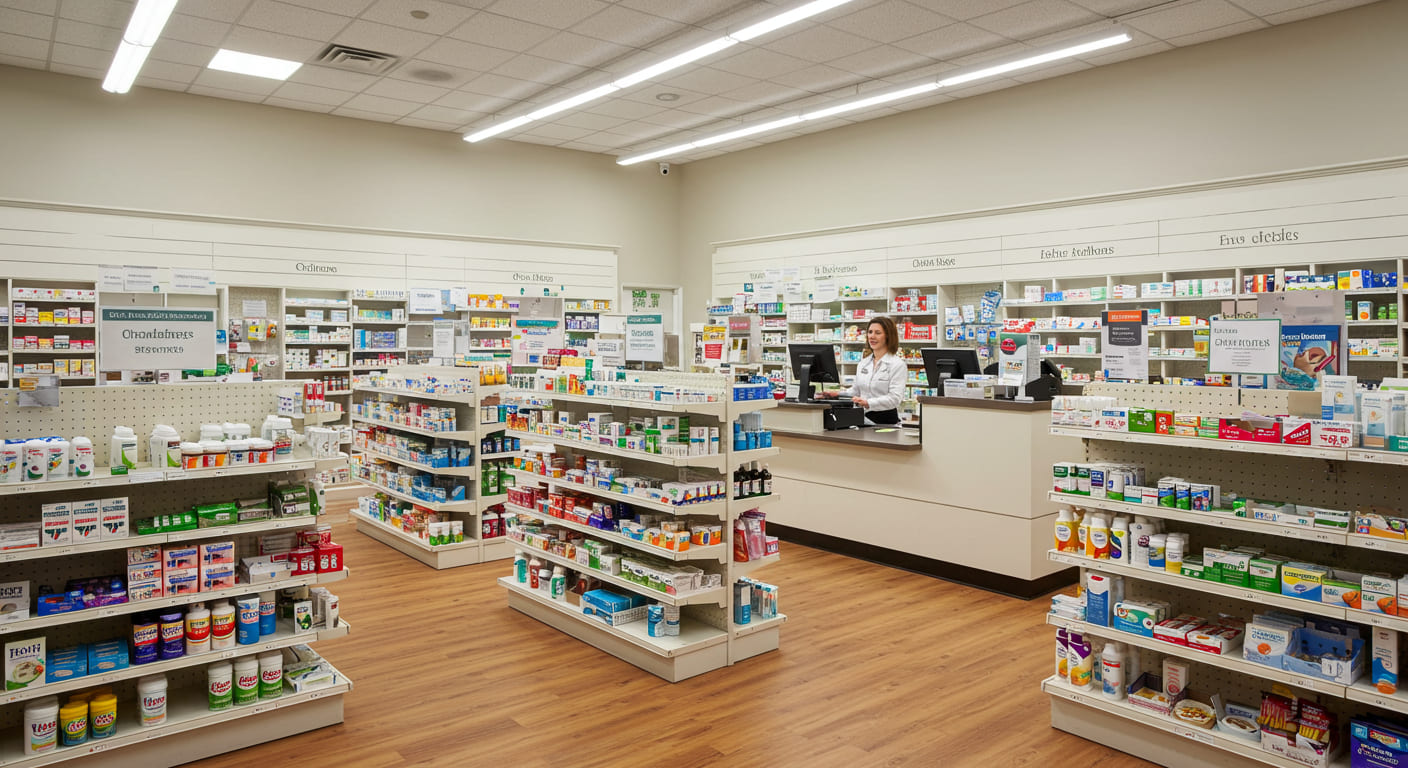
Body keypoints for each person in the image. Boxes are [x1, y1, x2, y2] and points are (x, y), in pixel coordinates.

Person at [817, 316, 907, 425]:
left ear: (888, 336)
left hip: (885, 421)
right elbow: (855, 391)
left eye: (878, 333)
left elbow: (895, 398)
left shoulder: (897, 364)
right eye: (870, 332)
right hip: (863, 418)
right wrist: (836, 394)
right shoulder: (863, 363)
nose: (872, 336)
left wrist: (868, 402)